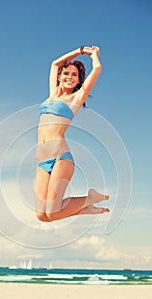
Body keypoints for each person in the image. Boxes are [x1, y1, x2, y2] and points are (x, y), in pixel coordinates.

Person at [35, 45, 109, 222]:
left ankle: (91, 198)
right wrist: (80, 50)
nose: (70, 77)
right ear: (60, 76)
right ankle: (86, 209)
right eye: (66, 73)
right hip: (41, 162)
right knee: (42, 216)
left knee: (52, 212)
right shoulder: (52, 94)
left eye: (74, 75)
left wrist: (93, 55)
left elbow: (97, 69)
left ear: (78, 81)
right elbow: (54, 64)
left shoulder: (75, 99)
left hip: (61, 158)